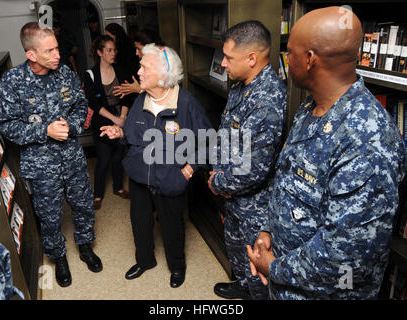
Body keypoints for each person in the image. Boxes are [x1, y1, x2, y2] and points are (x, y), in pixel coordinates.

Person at [247, 7, 407, 300]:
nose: (285, 58)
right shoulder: (310, 109)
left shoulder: (367, 139)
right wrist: (267, 232)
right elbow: (287, 182)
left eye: (290, 51)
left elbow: (345, 256)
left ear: (309, 60)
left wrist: (273, 267)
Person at [0, 22, 102, 288]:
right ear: (31, 54)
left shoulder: (65, 73)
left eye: (57, 48)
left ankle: (86, 246)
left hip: (73, 158)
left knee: (83, 205)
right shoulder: (13, 81)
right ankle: (59, 257)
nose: (58, 55)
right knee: (49, 215)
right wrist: (46, 130)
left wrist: (72, 126)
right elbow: (8, 126)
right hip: (41, 166)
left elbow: (80, 106)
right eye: (50, 51)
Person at [100, 44, 212, 288]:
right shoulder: (141, 100)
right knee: (140, 224)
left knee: (172, 226)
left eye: (144, 67)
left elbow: (208, 142)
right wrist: (118, 132)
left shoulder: (186, 104)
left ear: (163, 76)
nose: (138, 71)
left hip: (171, 178)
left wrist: (187, 171)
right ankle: (145, 261)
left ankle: (177, 266)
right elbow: (131, 135)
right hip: (140, 177)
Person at [207, 20, 287, 300]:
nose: (224, 64)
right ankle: (241, 285)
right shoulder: (241, 86)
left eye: (229, 58)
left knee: (257, 269)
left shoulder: (268, 99)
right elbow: (227, 133)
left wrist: (218, 181)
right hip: (233, 197)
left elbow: (255, 168)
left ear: (252, 59)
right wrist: (218, 168)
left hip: (255, 204)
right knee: (238, 253)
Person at [84, 35, 135, 210]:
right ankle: (97, 194)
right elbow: (93, 103)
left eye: (114, 50)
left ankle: (119, 188)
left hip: (121, 116)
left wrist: (122, 118)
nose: (113, 53)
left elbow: (128, 97)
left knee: (119, 155)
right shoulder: (90, 74)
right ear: (99, 52)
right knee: (104, 158)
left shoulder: (121, 71)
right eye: (109, 50)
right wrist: (115, 120)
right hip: (102, 121)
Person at [113, 29, 165, 99]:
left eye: (139, 49)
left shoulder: (163, 65)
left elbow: (162, 96)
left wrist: (139, 89)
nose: (136, 53)